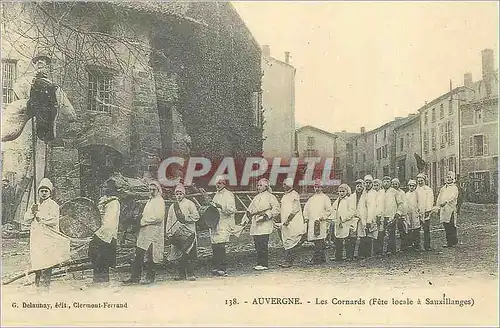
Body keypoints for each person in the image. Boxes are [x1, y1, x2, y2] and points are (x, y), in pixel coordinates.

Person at [23, 178, 70, 289]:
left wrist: (39, 215)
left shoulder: (53, 205)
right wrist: (32, 212)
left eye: (46, 191)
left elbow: (53, 220)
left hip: (48, 238)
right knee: (37, 260)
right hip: (36, 238)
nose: (43, 193)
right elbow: (26, 219)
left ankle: (45, 286)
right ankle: (37, 284)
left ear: (49, 193)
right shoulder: (35, 204)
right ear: (38, 192)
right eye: (41, 191)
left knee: (47, 261)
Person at [123, 181, 165, 285]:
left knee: (151, 256)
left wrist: (143, 221)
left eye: (153, 190)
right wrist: (139, 217)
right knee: (139, 254)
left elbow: (158, 217)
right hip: (144, 231)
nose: (151, 191)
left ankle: (149, 278)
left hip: (153, 232)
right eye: (149, 189)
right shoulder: (150, 201)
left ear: (158, 190)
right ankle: (135, 278)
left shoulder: (159, 201)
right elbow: (147, 213)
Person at [241, 178, 280, 270]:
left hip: (264, 222)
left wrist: (267, 215)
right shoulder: (256, 197)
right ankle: (259, 262)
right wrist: (244, 220)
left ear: (266, 187)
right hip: (256, 222)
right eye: (258, 185)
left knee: (263, 243)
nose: (258, 187)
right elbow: (249, 210)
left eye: (260, 185)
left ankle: (264, 264)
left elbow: (276, 209)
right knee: (257, 244)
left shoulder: (271, 197)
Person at [165, 183, 200, 281]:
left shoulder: (190, 204)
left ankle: (191, 273)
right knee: (179, 254)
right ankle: (181, 274)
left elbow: (196, 216)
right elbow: (169, 219)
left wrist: (185, 218)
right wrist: (168, 231)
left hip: (188, 233)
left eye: (180, 193)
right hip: (177, 233)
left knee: (189, 254)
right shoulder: (173, 206)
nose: (179, 196)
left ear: (184, 194)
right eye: (177, 194)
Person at [88, 180, 120, 283]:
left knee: (103, 261)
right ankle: (96, 281)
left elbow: (109, 221)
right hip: (98, 233)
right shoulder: (103, 200)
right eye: (104, 187)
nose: (104, 189)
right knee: (96, 260)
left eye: (107, 187)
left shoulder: (114, 203)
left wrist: (98, 232)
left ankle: (103, 283)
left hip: (106, 236)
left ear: (112, 189)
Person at [209, 175, 240, 277]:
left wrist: (221, 206)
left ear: (224, 184)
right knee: (215, 245)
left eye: (220, 183)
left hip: (225, 222)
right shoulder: (216, 195)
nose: (218, 185)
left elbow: (232, 209)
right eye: (217, 183)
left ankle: (223, 268)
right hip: (216, 222)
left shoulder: (229, 194)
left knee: (221, 245)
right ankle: (216, 267)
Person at [276, 178, 305, 268]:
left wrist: (288, 220)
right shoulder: (284, 196)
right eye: (283, 184)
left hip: (293, 221)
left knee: (292, 240)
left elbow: (295, 210)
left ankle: (289, 261)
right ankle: (287, 259)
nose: (283, 186)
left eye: (285, 184)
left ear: (290, 185)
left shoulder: (294, 194)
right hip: (285, 222)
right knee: (286, 240)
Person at [303, 179, 332, 265]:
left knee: (320, 240)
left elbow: (329, 210)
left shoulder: (325, 198)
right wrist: (306, 217)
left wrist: (324, 217)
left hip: (321, 221)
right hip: (312, 222)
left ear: (322, 187)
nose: (317, 188)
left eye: (319, 187)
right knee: (317, 241)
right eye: (316, 187)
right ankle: (322, 258)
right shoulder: (311, 199)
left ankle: (317, 259)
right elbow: (306, 209)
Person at [331, 184, 357, 262]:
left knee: (348, 240)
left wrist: (344, 218)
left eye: (343, 191)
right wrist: (335, 217)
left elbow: (352, 211)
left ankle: (349, 256)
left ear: (347, 191)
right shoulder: (337, 201)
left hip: (346, 222)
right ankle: (338, 256)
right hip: (339, 222)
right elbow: (333, 209)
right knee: (338, 240)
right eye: (340, 191)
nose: (341, 193)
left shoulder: (349, 200)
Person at [381, 176, 404, 255]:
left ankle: (391, 249)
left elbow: (400, 203)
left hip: (391, 215)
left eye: (388, 181)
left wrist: (398, 213)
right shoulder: (381, 192)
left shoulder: (394, 192)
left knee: (391, 232)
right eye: (384, 181)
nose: (386, 183)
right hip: (382, 216)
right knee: (383, 233)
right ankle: (382, 249)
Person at [436, 171, 459, 248]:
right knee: (445, 224)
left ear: (453, 179)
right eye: (448, 177)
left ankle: (453, 241)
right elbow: (439, 197)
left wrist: (446, 202)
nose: (449, 179)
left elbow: (453, 196)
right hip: (443, 208)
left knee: (451, 224)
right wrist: (438, 206)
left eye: (450, 178)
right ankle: (449, 241)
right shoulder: (443, 188)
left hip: (450, 208)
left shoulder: (454, 188)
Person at [359, 175, 378, 259]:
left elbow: (373, 207)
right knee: (363, 235)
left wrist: (369, 220)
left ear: (372, 184)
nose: (367, 184)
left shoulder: (374, 193)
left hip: (371, 216)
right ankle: (362, 253)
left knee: (370, 235)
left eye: (369, 183)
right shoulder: (363, 193)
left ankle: (368, 253)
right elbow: (361, 206)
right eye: (366, 183)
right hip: (363, 216)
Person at [415, 173, 434, 251]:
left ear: (424, 181)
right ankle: (417, 245)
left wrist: (428, 210)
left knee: (426, 229)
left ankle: (427, 245)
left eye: (421, 181)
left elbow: (430, 200)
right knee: (416, 229)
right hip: (417, 211)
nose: (420, 182)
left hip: (425, 211)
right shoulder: (416, 190)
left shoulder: (428, 189)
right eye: (418, 181)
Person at [391, 178, 408, 252]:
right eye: (393, 184)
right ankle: (392, 248)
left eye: (396, 184)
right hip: (393, 214)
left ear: (399, 184)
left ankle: (403, 247)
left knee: (402, 230)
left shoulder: (402, 193)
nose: (394, 185)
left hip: (400, 214)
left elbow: (404, 204)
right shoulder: (391, 192)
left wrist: (401, 213)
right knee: (392, 231)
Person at [404, 180, 421, 251]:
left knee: (416, 229)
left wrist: (419, 210)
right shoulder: (406, 194)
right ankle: (409, 243)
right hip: (408, 213)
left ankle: (417, 244)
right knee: (409, 228)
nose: (411, 187)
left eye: (413, 186)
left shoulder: (417, 194)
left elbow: (420, 203)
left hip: (415, 213)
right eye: (410, 186)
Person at [372, 178, 385, 256]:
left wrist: (379, 216)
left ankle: (380, 250)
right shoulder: (372, 194)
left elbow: (381, 206)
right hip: (373, 216)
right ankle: (375, 250)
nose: (375, 187)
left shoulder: (382, 194)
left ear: (380, 186)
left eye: (377, 185)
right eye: (374, 185)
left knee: (380, 233)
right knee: (374, 233)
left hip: (380, 216)